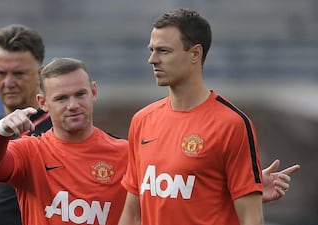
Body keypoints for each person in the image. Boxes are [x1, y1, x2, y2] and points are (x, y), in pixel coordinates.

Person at [118, 8, 300, 225]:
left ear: (195, 53)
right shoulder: (142, 120)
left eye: (164, 51)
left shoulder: (232, 124)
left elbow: (251, 219)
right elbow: (132, 213)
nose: (152, 59)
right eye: (152, 50)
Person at [0, 58, 128, 225]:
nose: (73, 105)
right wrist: (1, 129)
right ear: (43, 103)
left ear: (94, 92)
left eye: (80, 94)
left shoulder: (125, 153)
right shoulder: (30, 152)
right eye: (61, 98)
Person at [0, 24, 52, 225]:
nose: (8, 82)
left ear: (40, 74)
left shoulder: (54, 133)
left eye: (19, 73)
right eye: (0, 73)